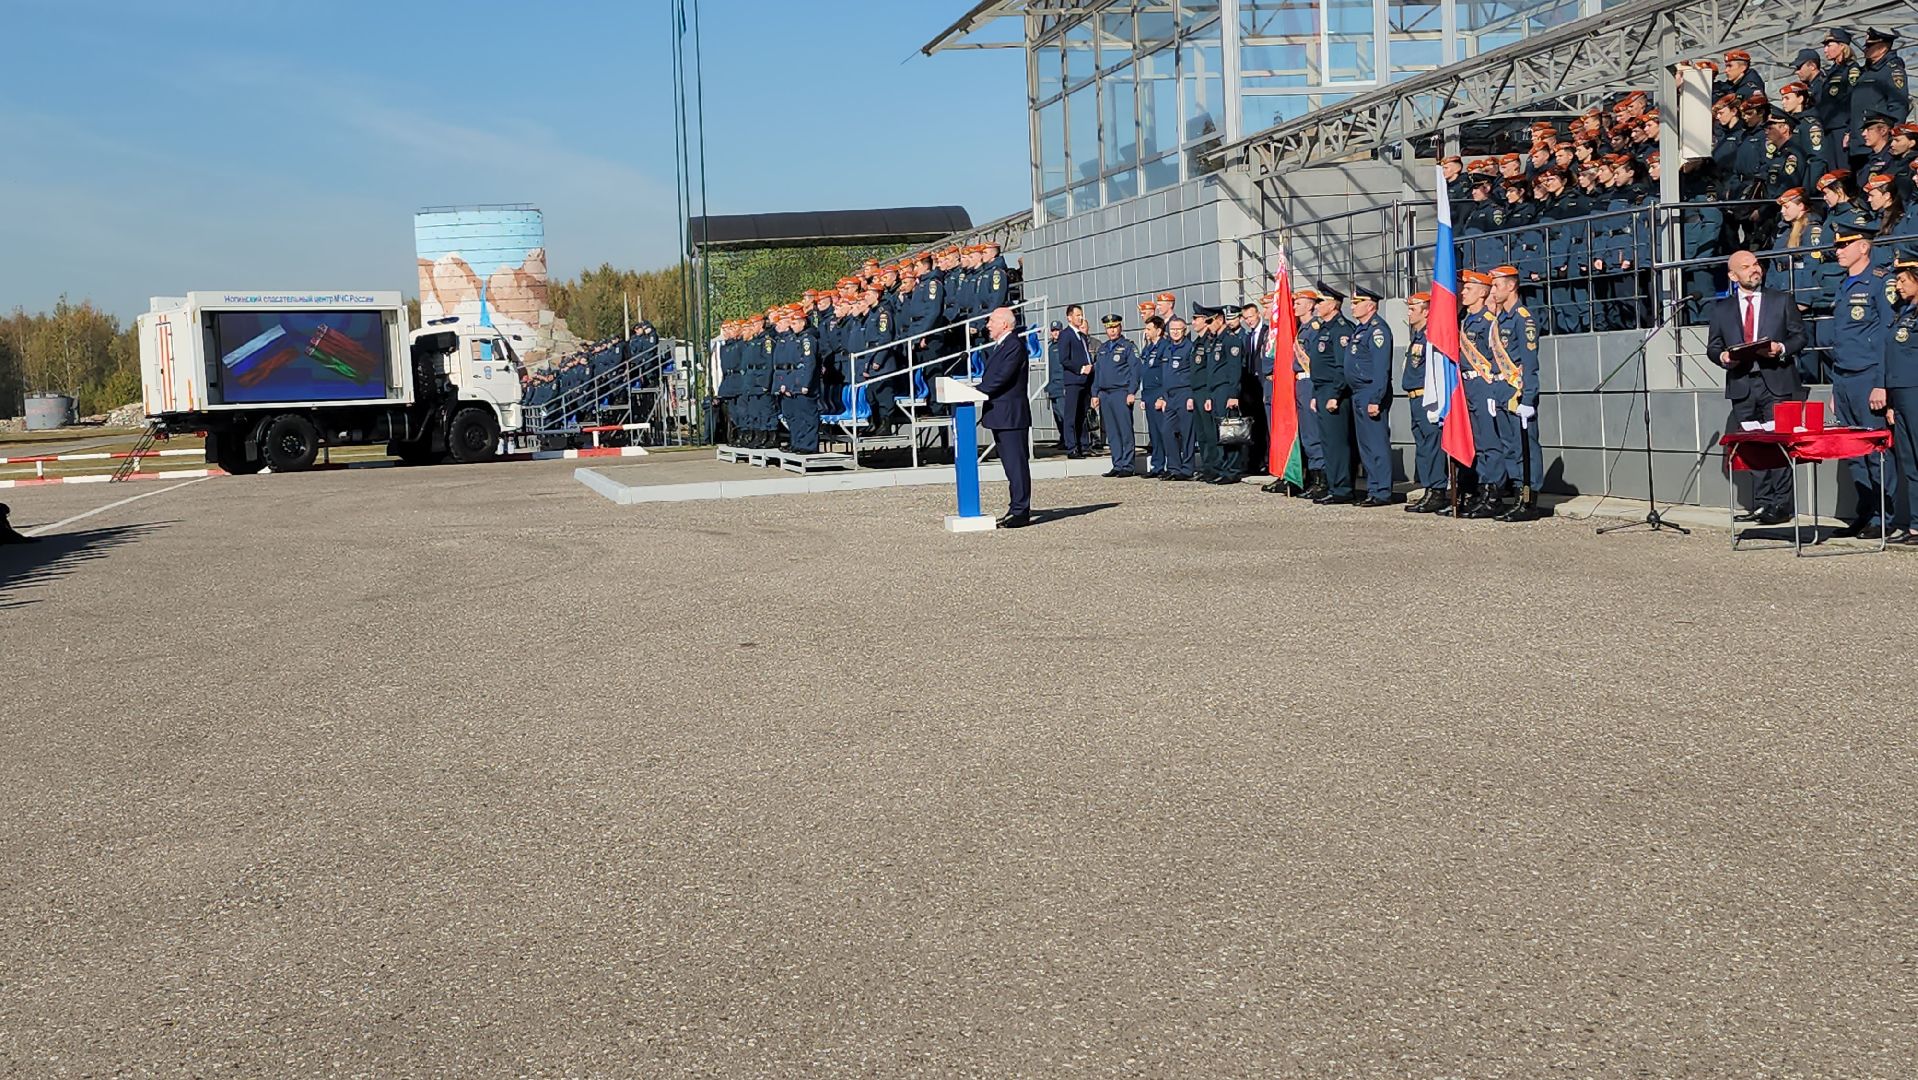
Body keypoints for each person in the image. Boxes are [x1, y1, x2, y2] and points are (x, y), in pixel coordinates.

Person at [1708, 250, 1808, 526]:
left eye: (1756, 264)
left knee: (1779, 443)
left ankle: (1782, 504)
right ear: (1732, 275)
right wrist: (1723, 357)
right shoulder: (1721, 308)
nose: (1754, 270)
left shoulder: (1781, 300)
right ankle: (1762, 503)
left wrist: (1782, 348)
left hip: (1776, 381)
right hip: (1742, 384)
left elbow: (1800, 336)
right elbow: (1713, 346)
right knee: (1752, 445)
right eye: (1746, 266)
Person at [1812, 218, 1895, 537]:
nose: (1839, 250)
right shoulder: (1844, 284)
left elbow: (1887, 335)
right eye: (1837, 245)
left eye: (1845, 244)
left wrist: (1881, 382)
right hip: (1845, 377)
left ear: (1864, 247)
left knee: (1875, 450)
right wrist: (1836, 384)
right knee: (1852, 452)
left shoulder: (1879, 282)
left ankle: (1883, 516)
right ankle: (1865, 511)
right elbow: (1843, 339)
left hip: (1867, 377)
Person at [976, 307, 1033, 528]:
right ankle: (1015, 507)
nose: (988, 325)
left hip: (1011, 415)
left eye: (992, 321)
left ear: (1005, 325)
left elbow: (1002, 377)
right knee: (1010, 465)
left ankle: (1020, 511)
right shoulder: (1001, 346)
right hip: (1000, 414)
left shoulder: (1014, 346)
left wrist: (978, 391)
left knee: (1016, 465)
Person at [1345, 285, 1395, 506]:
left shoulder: (1378, 331)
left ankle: (1382, 490)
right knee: (1365, 445)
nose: (1352, 307)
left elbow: (1380, 369)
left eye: (1357, 303)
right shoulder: (1360, 329)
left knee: (1376, 444)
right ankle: (1373, 488)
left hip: (1370, 392)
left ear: (1371, 306)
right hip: (1358, 392)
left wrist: (1376, 398)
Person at [1401, 292, 1449, 514]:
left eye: (1413, 309)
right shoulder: (1418, 335)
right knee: (1422, 446)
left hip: (1427, 397)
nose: (1408, 313)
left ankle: (1437, 490)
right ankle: (1429, 487)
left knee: (1431, 446)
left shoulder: (1432, 335)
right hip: (1414, 397)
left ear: (1426, 311)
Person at [1308, 286, 1355, 504]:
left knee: (1337, 443)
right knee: (1327, 441)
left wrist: (1334, 394)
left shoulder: (1341, 330)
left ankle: (1342, 489)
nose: (1317, 306)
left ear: (1333, 304)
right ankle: (1334, 485)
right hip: (1321, 389)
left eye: (1320, 302)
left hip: (1334, 390)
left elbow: (1341, 367)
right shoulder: (1324, 328)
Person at [1883, 258, 1918, 542]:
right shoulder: (1903, 312)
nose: (1899, 284)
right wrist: (1892, 401)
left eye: (1905, 280)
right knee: (1909, 460)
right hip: (1901, 393)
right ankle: (1916, 525)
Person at [1090, 313, 1139, 477]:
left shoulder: (1128, 347)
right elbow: (1098, 373)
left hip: (1121, 392)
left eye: (1114, 327)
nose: (1112, 331)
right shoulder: (1103, 349)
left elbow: (1135, 371)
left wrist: (1131, 392)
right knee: (1111, 431)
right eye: (1108, 328)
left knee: (1124, 429)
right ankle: (1117, 463)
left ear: (1120, 327)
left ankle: (1128, 465)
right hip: (1105, 394)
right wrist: (1094, 393)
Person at [1158, 316, 1198, 481]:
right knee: (1166, 430)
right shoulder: (1167, 349)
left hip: (1184, 393)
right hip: (1170, 395)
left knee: (1187, 433)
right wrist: (1163, 396)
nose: (1175, 332)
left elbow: (1194, 374)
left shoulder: (1190, 348)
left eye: (1178, 329)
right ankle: (1174, 467)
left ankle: (1187, 468)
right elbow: (1165, 375)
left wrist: (1191, 396)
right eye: (1172, 329)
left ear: (1185, 330)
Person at [1056, 305, 1094, 457]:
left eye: (1081, 315)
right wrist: (1080, 368)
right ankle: (1071, 446)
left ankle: (1083, 444)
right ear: (1069, 317)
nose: (1080, 317)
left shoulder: (1081, 336)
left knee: (1082, 414)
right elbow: (1064, 359)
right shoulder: (1066, 335)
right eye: (1077, 315)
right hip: (1074, 380)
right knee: (1071, 415)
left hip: (1085, 381)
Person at [1137, 315, 1170, 478]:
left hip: (1159, 392)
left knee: (1164, 431)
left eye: (1149, 329)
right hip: (1149, 393)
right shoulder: (1148, 348)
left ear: (1158, 330)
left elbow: (1166, 374)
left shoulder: (1165, 346)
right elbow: (1144, 373)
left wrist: (1163, 396)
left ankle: (1169, 464)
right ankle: (1157, 466)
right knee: (1154, 433)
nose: (1146, 332)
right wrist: (1143, 396)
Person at [1044, 321, 1067, 448]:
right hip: (1052, 386)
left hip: (1061, 385)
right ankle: (1063, 439)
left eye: (1058, 330)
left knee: (1064, 415)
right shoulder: (1050, 347)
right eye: (1053, 331)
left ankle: (1070, 441)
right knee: (1057, 415)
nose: (1056, 333)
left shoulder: (1064, 345)